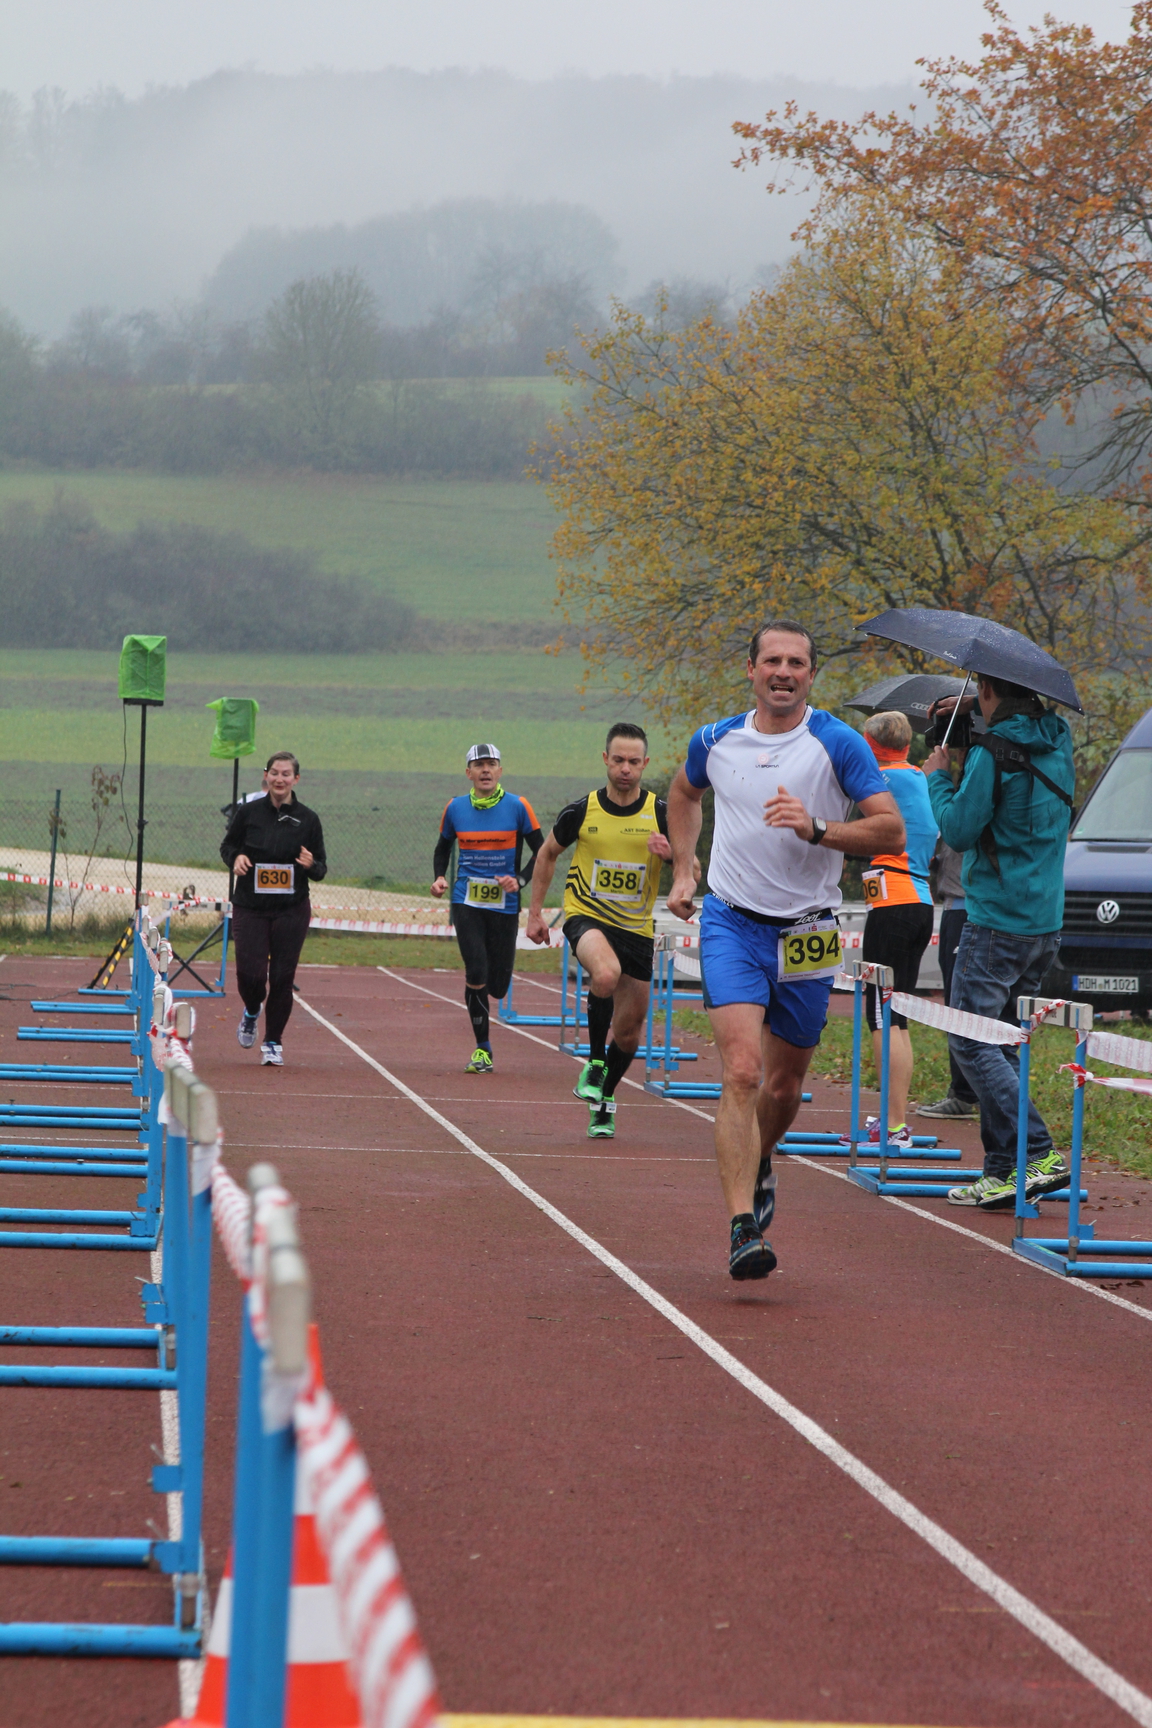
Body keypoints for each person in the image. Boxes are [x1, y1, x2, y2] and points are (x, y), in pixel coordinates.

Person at [667, 621, 904, 1281]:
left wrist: (818, 827)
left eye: (796, 662)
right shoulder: (715, 740)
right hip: (732, 922)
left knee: (784, 1084)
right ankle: (742, 1227)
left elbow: (891, 830)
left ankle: (761, 1156)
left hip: (807, 930)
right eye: (772, 660)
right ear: (751, 670)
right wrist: (684, 869)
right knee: (743, 1072)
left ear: (811, 675)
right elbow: (683, 793)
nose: (783, 671)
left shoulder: (836, 742)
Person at [923, 675, 1076, 1208]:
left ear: (987, 687)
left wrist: (939, 778)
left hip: (995, 920)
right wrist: (978, 706)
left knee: (971, 1040)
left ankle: (1039, 1152)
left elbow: (959, 831)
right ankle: (1002, 1169)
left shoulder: (991, 752)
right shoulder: (1058, 737)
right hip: (1044, 920)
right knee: (1002, 1043)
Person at [525, 722, 684, 1139]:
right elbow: (547, 854)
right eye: (618, 760)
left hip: (636, 928)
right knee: (606, 974)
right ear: (605, 760)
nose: (625, 769)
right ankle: (595, 1062)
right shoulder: (582, 811)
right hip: (587, 915)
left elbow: (693, 868)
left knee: (629, 1033)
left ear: (645, 763)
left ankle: (604, 1098)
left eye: (633, 761)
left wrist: (672, 857)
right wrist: (535, 913)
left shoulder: (661, 814)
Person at [848, 710, 939, 1148]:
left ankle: (895, 1124)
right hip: (918, 901)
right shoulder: (916, 777)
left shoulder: (882, 780)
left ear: (872, 745)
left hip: (894, 902)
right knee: (895, 1014)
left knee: (880, 1014)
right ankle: (894, 1120)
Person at [431, 743, 543, 1074]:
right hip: (466, 901)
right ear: (468, 773)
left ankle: (493, 990)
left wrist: (520, 880)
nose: (485, 770)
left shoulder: (519, 806)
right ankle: (483, 1049)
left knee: (498, 986)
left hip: (504, 905)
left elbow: (543, 852)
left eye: (491, 764)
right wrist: (439, 877)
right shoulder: (455, 808)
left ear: (500, 771)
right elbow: (442, 848)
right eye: (479, 765)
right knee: (476, 970)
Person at [221, 751, 327, 1067]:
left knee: (282, 977)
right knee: (250, 975)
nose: (279, 779)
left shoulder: (309, 819)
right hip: (251, 906)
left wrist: (311, 865)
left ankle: (273, 1042)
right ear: (266, 776)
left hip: (291, 909)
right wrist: (236, 858)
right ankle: (253, 1009)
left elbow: (321, 868)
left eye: (286, 774)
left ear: (296, 779)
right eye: (275, 773)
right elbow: (228, 846)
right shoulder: (248, 813)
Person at [916, 836, 979, 1119]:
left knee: (961, 1001)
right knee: (960, 999)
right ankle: (970, 1091)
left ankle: (965, 1095)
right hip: (958, 905)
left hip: (968, 907)